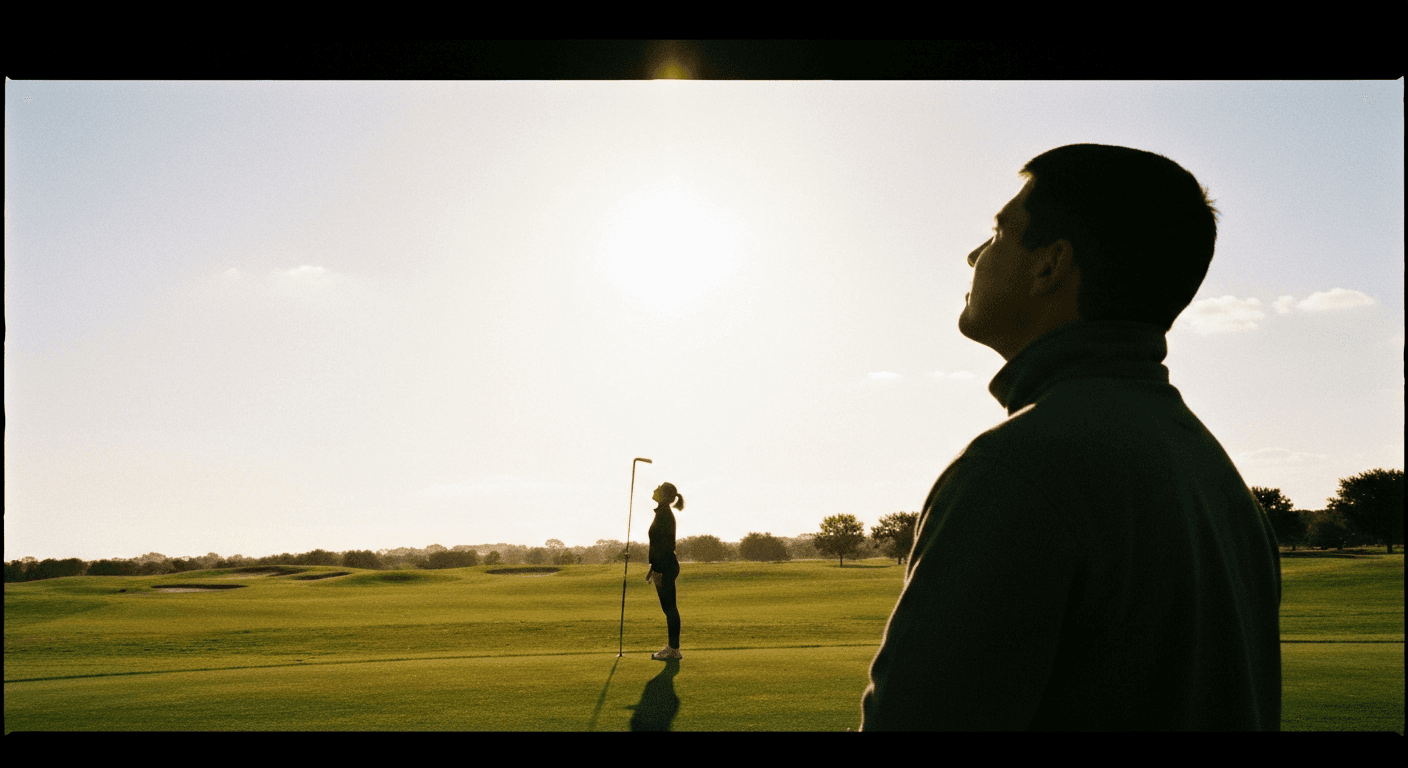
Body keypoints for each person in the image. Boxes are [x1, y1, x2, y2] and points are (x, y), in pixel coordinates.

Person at [859, 144, 1282, 730]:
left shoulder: (1019, 464)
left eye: (1000, 231)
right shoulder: (1213, 471)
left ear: (1050, 266)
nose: (974, 254)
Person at [645, 482, 685, 660]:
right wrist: (653, 567)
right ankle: (673, 648)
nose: (654, 490)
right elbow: (658, 544)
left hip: (666, 565)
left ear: (663, 495)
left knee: (670, 609)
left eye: (658, 488)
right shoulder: (661, 513)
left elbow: (665, 546)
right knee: (668, 608)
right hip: (664, 564)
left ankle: (674, 650)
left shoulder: (664, 514)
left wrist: (659, 569)